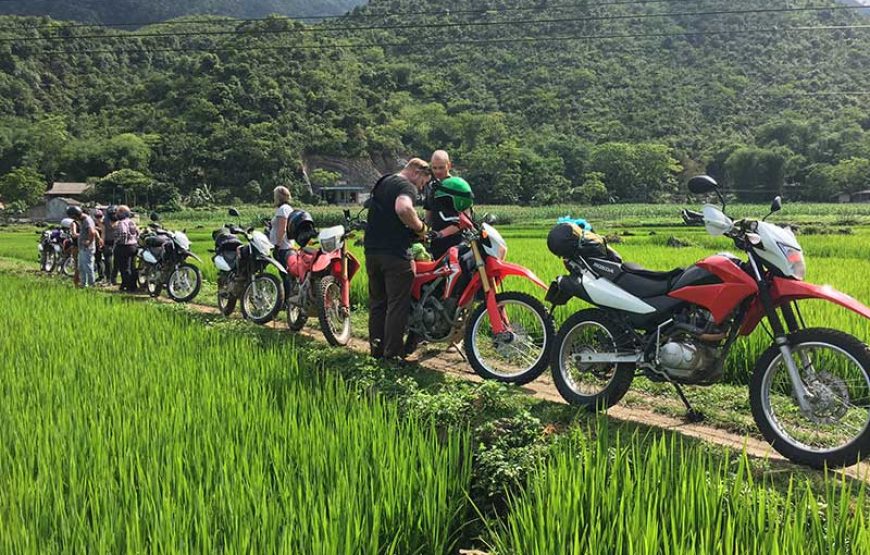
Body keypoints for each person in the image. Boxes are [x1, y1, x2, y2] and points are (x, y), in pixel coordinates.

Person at [363, 158, 431, 360]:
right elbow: (403, 208)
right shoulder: (405, 186)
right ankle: (392, 355)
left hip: (372, 252)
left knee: (378, 304)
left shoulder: (383, 181)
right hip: (395, 254)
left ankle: (377, 350)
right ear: (417, 172)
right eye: (422, 183)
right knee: (397, 305)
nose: (420, 188)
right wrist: (420, 228)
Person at [268, 186, 294, 297]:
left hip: (283, 248)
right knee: (287, 274)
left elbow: (282, 229)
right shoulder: (287, 208)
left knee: (285, 275)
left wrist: (277, 246)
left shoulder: (282, 209)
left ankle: (287, 300)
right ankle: (288, 300)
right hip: (288, 246)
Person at [67, 205, 97, 288]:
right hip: (82, 248)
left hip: (87, 248)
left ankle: (92, 284)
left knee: (88, 266)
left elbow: (92, 232)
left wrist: (89, 242)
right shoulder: (83, 220)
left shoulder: (87, 220)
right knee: (81, 266)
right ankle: (84, 284)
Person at [113, 205, 140, 292]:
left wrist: (117, 242)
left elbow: (123, 234)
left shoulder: (121, 223)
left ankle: (128, 287)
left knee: (124, 268)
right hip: (133, 246)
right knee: (132, 267)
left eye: (118, 212)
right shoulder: (132, 222)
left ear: (122, 213)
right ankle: (132, 285)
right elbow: (137, 232)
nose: (116, 214)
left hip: (124, 246)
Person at [102, 205, 118, 285]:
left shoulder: (105, 220)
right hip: (117, 242)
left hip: (108, 241)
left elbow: (103, 232)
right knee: (115, 261)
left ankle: (109, 279)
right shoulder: (120, 220)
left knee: (108, 261)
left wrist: (102, 242)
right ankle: (113, 279)